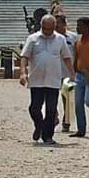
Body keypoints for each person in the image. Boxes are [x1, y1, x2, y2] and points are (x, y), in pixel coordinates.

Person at [19, 14, 73, 145]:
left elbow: (66, 57)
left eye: (50, 29)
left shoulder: (60, 39)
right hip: (36, 79)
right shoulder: (32, 38)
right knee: (34, 108)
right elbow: (24, 56)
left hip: (53, 79)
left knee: (51, 109)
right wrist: (22, 73)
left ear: (54, 27)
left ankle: (48, 135)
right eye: (45, 28)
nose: (47, 32)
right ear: (41, 26)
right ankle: (39, 126)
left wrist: (72, 73)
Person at [55, 14, 78, 133]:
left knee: (68, 99)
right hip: (53, 72)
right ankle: (54, 117)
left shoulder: (73, 37)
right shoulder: (50, 37)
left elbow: (77, 53)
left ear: (64, 24)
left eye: (58, 23)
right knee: (49, 96)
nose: (56, 25)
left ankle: (67, 122)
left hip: (68, 72)